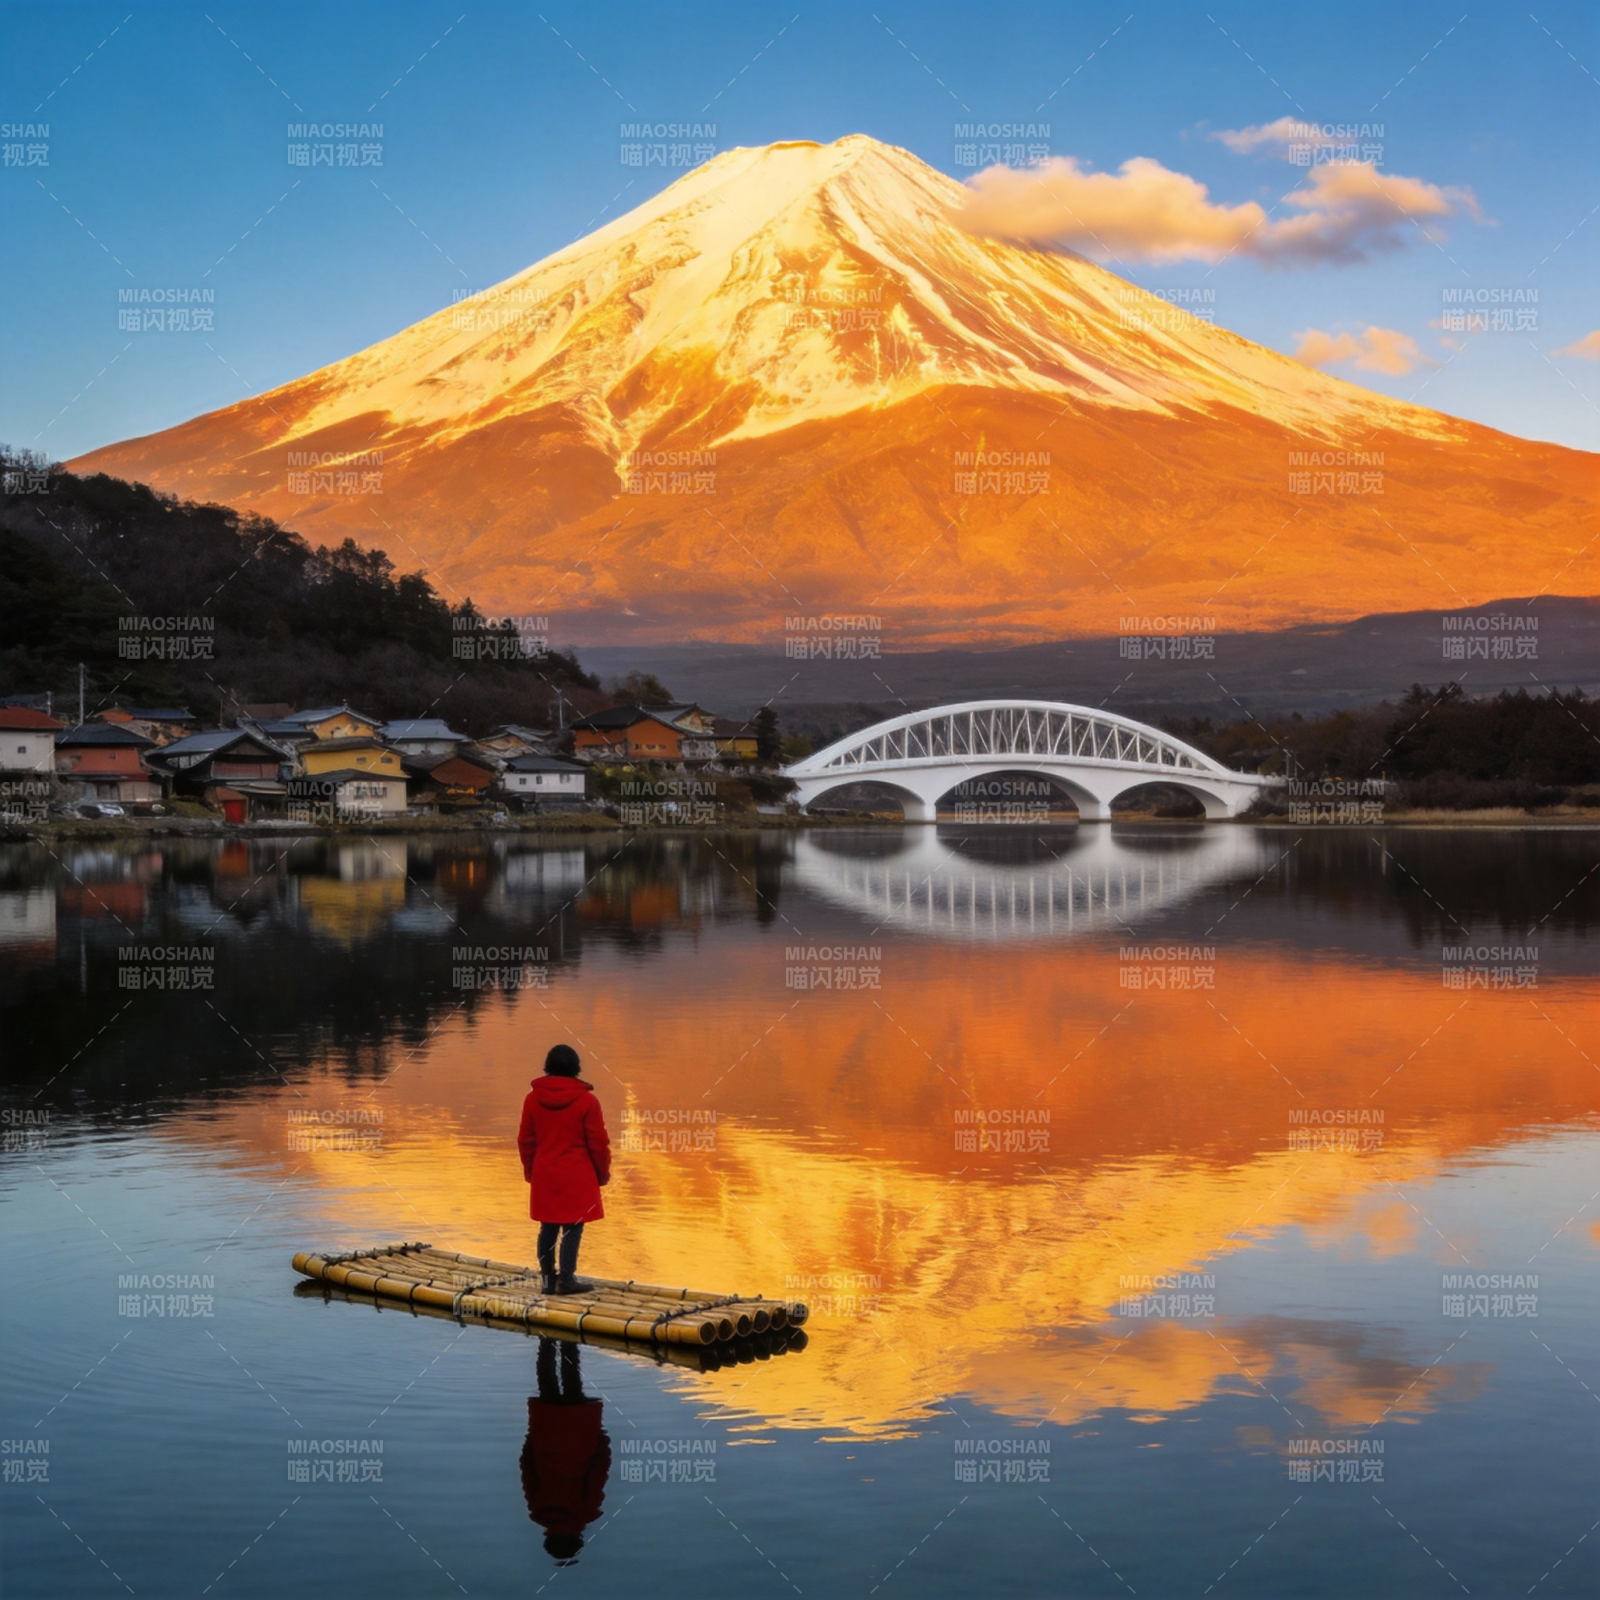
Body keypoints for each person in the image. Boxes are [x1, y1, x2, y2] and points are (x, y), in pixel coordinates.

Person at [517, 1043, 611, 1295]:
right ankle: (567, 1280)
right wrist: (602, 1174)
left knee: (547, 1227)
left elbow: (525, 1141)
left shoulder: (532, 1100)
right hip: (577, 1174)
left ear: (547, 1066)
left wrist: (530, 1171)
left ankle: (548, 1281)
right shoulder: (587, 1101)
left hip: (545, 1172)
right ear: (576, 1068)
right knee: (573, 1226)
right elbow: (598, 1143)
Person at [520, 1337, 610, 1564]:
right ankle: (547, 1339)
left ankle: (568, 1341)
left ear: (578, 1538)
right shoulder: (537, 1510)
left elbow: (598, 1472)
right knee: (546, 1379)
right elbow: (527, 1468)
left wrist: (602, 1442)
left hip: (581, 1435)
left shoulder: (586, 1512)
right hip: (547, 1432)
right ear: (548, 1536)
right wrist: (532, 1439)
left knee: (572, 1379)